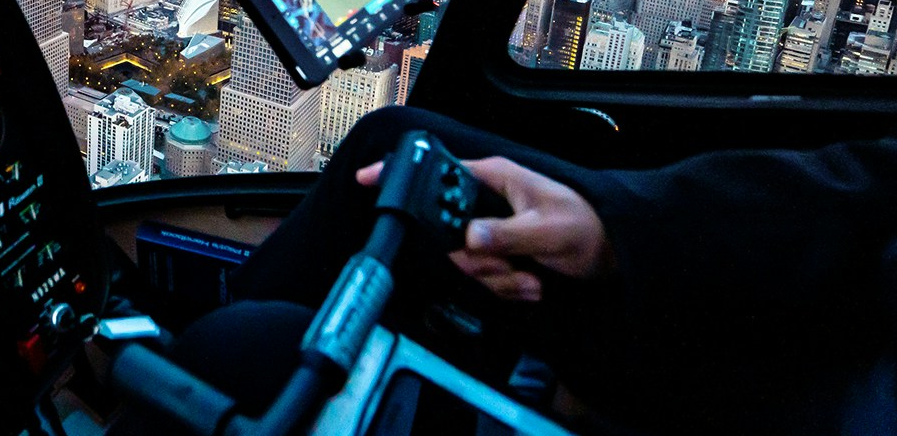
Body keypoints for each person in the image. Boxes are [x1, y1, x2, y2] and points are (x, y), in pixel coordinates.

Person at [164, 105, 897, 435]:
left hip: (827, 393)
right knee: (396, 152)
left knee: (235, 351)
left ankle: (162, 379)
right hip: (851, 320)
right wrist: (619, 224)